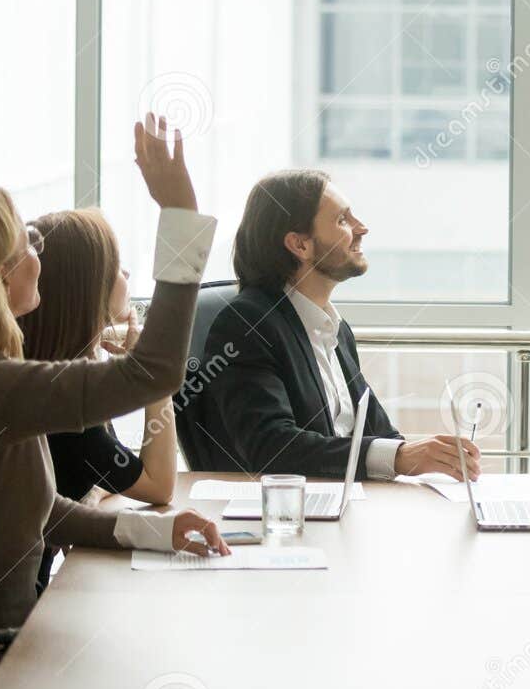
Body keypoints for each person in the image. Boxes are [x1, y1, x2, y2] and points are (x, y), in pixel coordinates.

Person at [0, 116, 230, 689]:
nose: (36, 257)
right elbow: (152, 374)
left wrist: (159, 529)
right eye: (28, 245)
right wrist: (180, 213)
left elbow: (35, 509)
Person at [195, 169, 481, 480]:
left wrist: (431, 457)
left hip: (342, 503)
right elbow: (271, 446)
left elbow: (377, 431)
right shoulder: (248, 324)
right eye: (342, 220)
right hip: (286, 514)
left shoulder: (334, 329)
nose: (361, 228)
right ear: (300, 245)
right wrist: (399, 457)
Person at [19, 208, 180, 590]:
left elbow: (101, 477)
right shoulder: (64, 399)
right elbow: (159, 486)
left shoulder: (42, 372)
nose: (126, 275)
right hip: (23, 620)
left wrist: (91, 492)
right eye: (117, 266)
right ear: (87, 289)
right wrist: (150, 379)